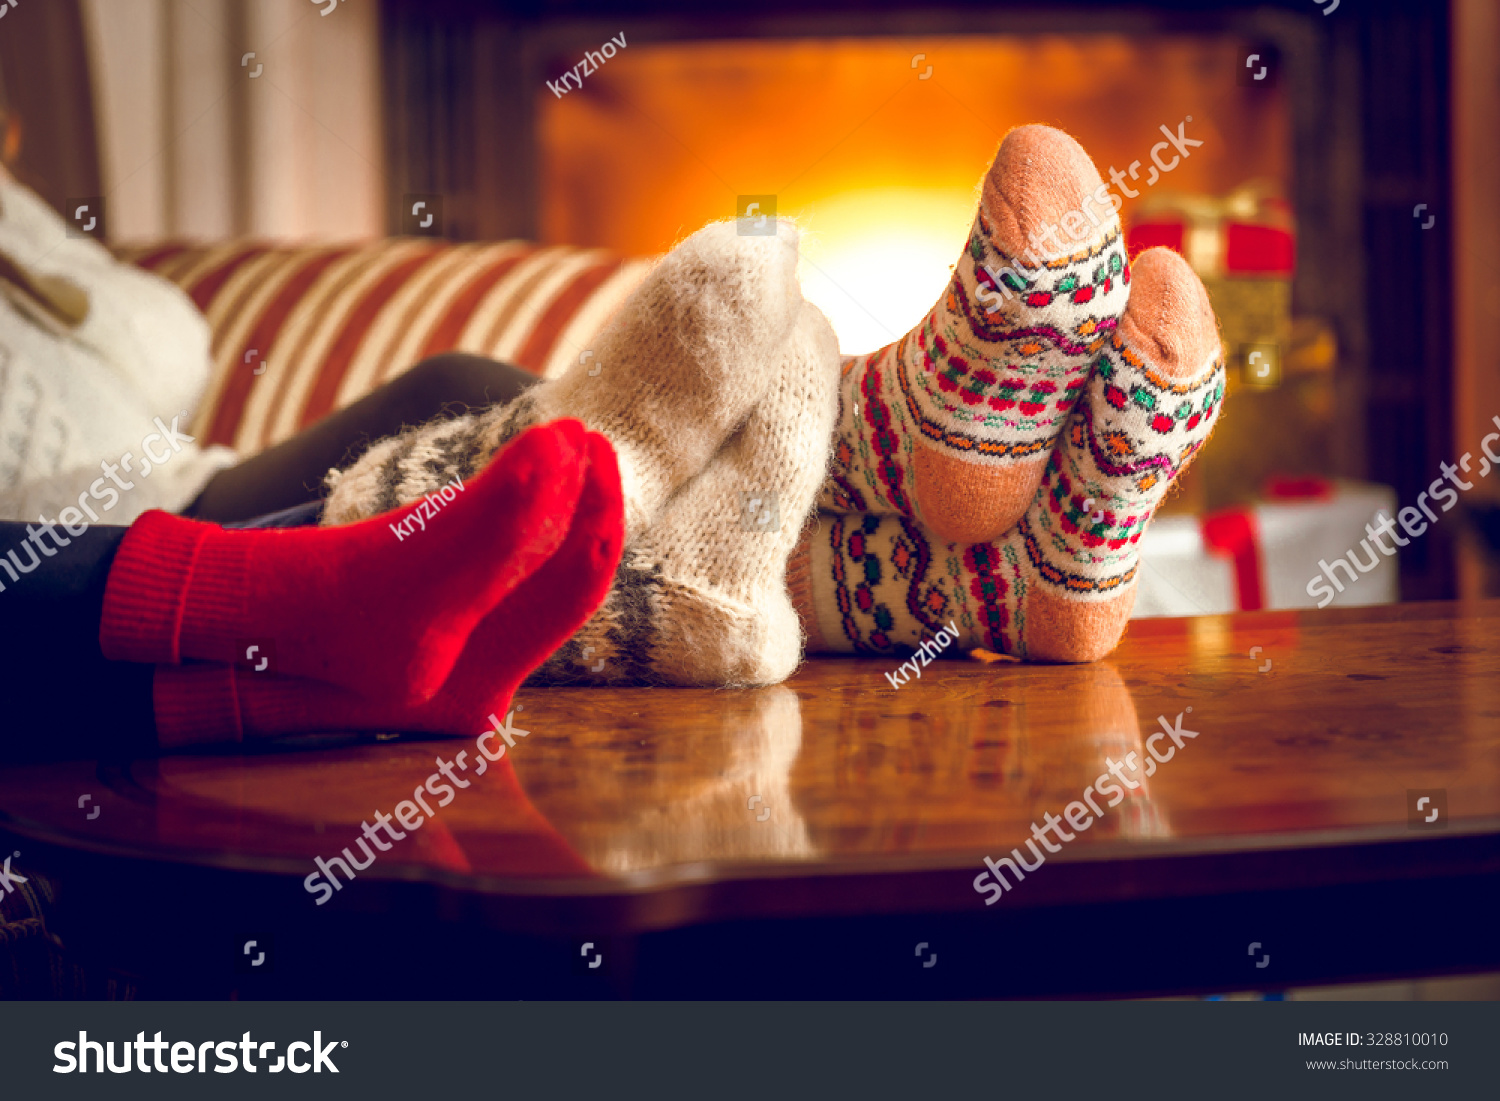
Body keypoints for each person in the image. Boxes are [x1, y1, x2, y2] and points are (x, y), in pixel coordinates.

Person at [0, 124, 1225, 758]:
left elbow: (152, 342)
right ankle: (948, 518)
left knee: (470, 386)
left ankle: (959, 542)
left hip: (192, 479)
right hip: (82, 527)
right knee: (545, 465)